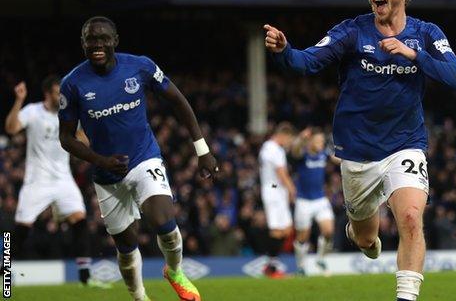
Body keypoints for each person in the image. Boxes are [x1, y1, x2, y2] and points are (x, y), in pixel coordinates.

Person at [264, 0, 456, 300]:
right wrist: (285, 51)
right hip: (357, 153)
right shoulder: (352, 32)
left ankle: (406, 296)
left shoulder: (426, 34)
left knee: (413, 217)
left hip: (405, 144)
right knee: (366, 239)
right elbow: (308, 61)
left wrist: (413, 55)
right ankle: (362, 236)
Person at [58, 16, 219, 301]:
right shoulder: (73, 84)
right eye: (90, 39)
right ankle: (139, 297)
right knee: (126, 246)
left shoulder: (140, 66)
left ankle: (174, 271)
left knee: (165, 223)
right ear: (82, 43)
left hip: (144, 158)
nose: (97, 44)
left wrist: (202, 149)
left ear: (115, 41)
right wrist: (100, 160)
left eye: (103, 38)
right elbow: (67, 138)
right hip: (107, 174)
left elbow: (178, 100)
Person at [4, 76, 109, 288]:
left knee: (80, 221)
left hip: (63, 180)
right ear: (47, 93)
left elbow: (85, 142)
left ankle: (85, 277)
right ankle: (3, 273)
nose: (61, 96)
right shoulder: (33, 111)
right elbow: (11, 128)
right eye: (56, 92)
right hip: (37, 181)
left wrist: (84, 125)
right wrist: (18, 100)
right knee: (21, 229)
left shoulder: (68, 114)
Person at [291, 128, 338, 276]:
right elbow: (295, 150)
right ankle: (301, 266)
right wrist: (300, 137)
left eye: (322, 141)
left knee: (329, 231)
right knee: (303, 237)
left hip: (320, 199)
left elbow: (338, 159)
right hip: (303, 201)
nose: (320, 143)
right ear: (310, 141)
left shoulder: (323, 155)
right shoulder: (302, 155)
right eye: (317, 141)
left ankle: (321, 259)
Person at [258, 122, 297, 278]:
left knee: (286, 229)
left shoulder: (266, 147)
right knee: (277, 230)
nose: (288, 143)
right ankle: (271, 269)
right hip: (273, 191)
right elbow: (281, 172)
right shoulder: (275, 149)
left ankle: (271, 265)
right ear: (284, 135)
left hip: (274, 190)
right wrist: (292, 189)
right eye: (289, 140)